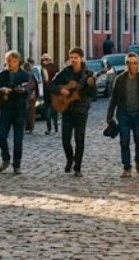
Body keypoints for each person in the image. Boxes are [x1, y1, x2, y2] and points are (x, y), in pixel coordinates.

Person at [51, 47, 96, 177]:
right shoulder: (65, 72)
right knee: (65, 138)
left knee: (79, 138)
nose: (73, 60)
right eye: (71, 57)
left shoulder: (88, 73)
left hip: (81, 108)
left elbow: (93, 95)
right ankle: (69, 159)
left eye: (75, 57)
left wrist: (91, 84)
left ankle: (78, 167)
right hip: (66, 109)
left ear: (81, 58)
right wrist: (61, 91)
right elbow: (51, 85)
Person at [106, 52, 139, 178]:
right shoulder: (120, 79)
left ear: (138, 64)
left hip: (138, 114)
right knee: (124, 142)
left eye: (134, 63)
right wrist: (109, 116)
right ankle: (127, 167)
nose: (132, 66)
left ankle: (138, 160)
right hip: (124, 114)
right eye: (129, 63)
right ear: (126, 64)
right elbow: (113, 99)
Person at [0, 50, 31, 174]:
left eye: (12, 61)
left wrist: (22, 91)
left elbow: (29, 90)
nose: (9, 63)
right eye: (8, 61)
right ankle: (5, 158)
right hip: (6, 109)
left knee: (18, 140)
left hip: (19, 110)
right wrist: (1, 90)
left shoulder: (24, 75)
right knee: (1, 137)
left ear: (17, 61)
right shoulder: (2, 74)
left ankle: (17, 165)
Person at [40, 53, 60, 135]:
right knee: (51, 111)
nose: (44, 61)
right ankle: (54, 128)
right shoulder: (44, 68)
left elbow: (48, 79)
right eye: (43, 60)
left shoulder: (50, 67)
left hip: (51, 91)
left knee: (49, 111)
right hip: (48, 92)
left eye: (46, 59)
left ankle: (51, 128)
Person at [23, 60, 42, 134]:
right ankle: (30, 127)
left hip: (28, 94)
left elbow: (33, 85)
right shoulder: (32, 74)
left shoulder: (29, 74)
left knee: (27, 112)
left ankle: (28, 127)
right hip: (31, 94)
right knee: (31, 112)